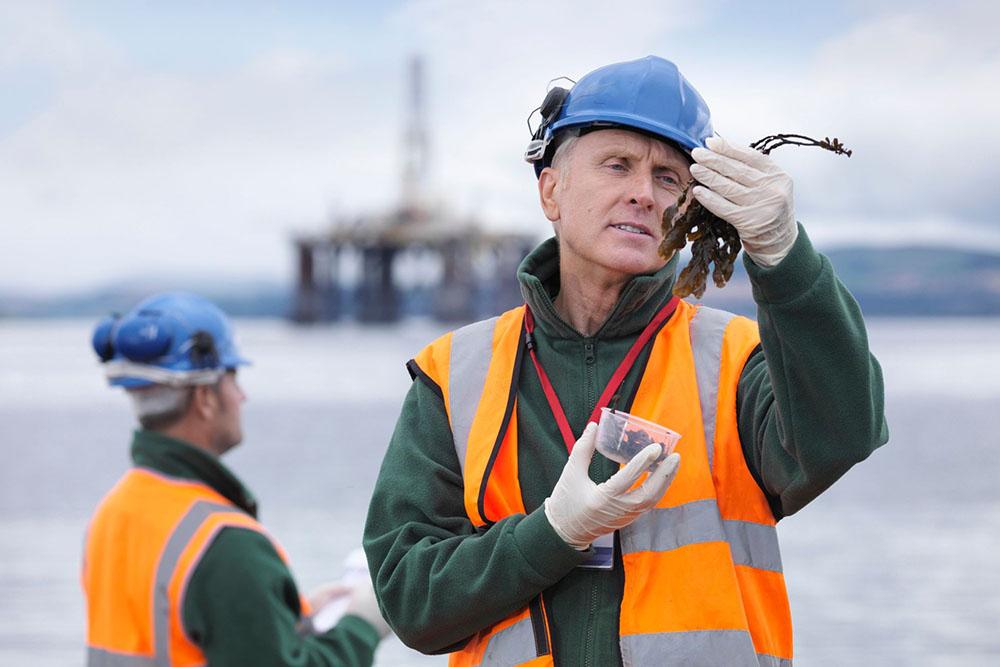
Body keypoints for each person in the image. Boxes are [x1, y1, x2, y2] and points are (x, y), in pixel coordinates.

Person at [363, 56, 889, 666]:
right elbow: (410, 603)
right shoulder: (454, 375)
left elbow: (845, 432)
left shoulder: (736, 362)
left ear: (691, 209)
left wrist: (785, 257)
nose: (643, 191)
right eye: (617, 165)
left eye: (669, 178)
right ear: (551, 189)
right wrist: (552, 533)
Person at [83, 292, 390, 667]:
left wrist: (295, 616)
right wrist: (363, 625)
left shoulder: (113, 513)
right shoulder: (225, 544)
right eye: (233, 377)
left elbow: (174, 631)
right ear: (204, 398)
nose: (242, 396)